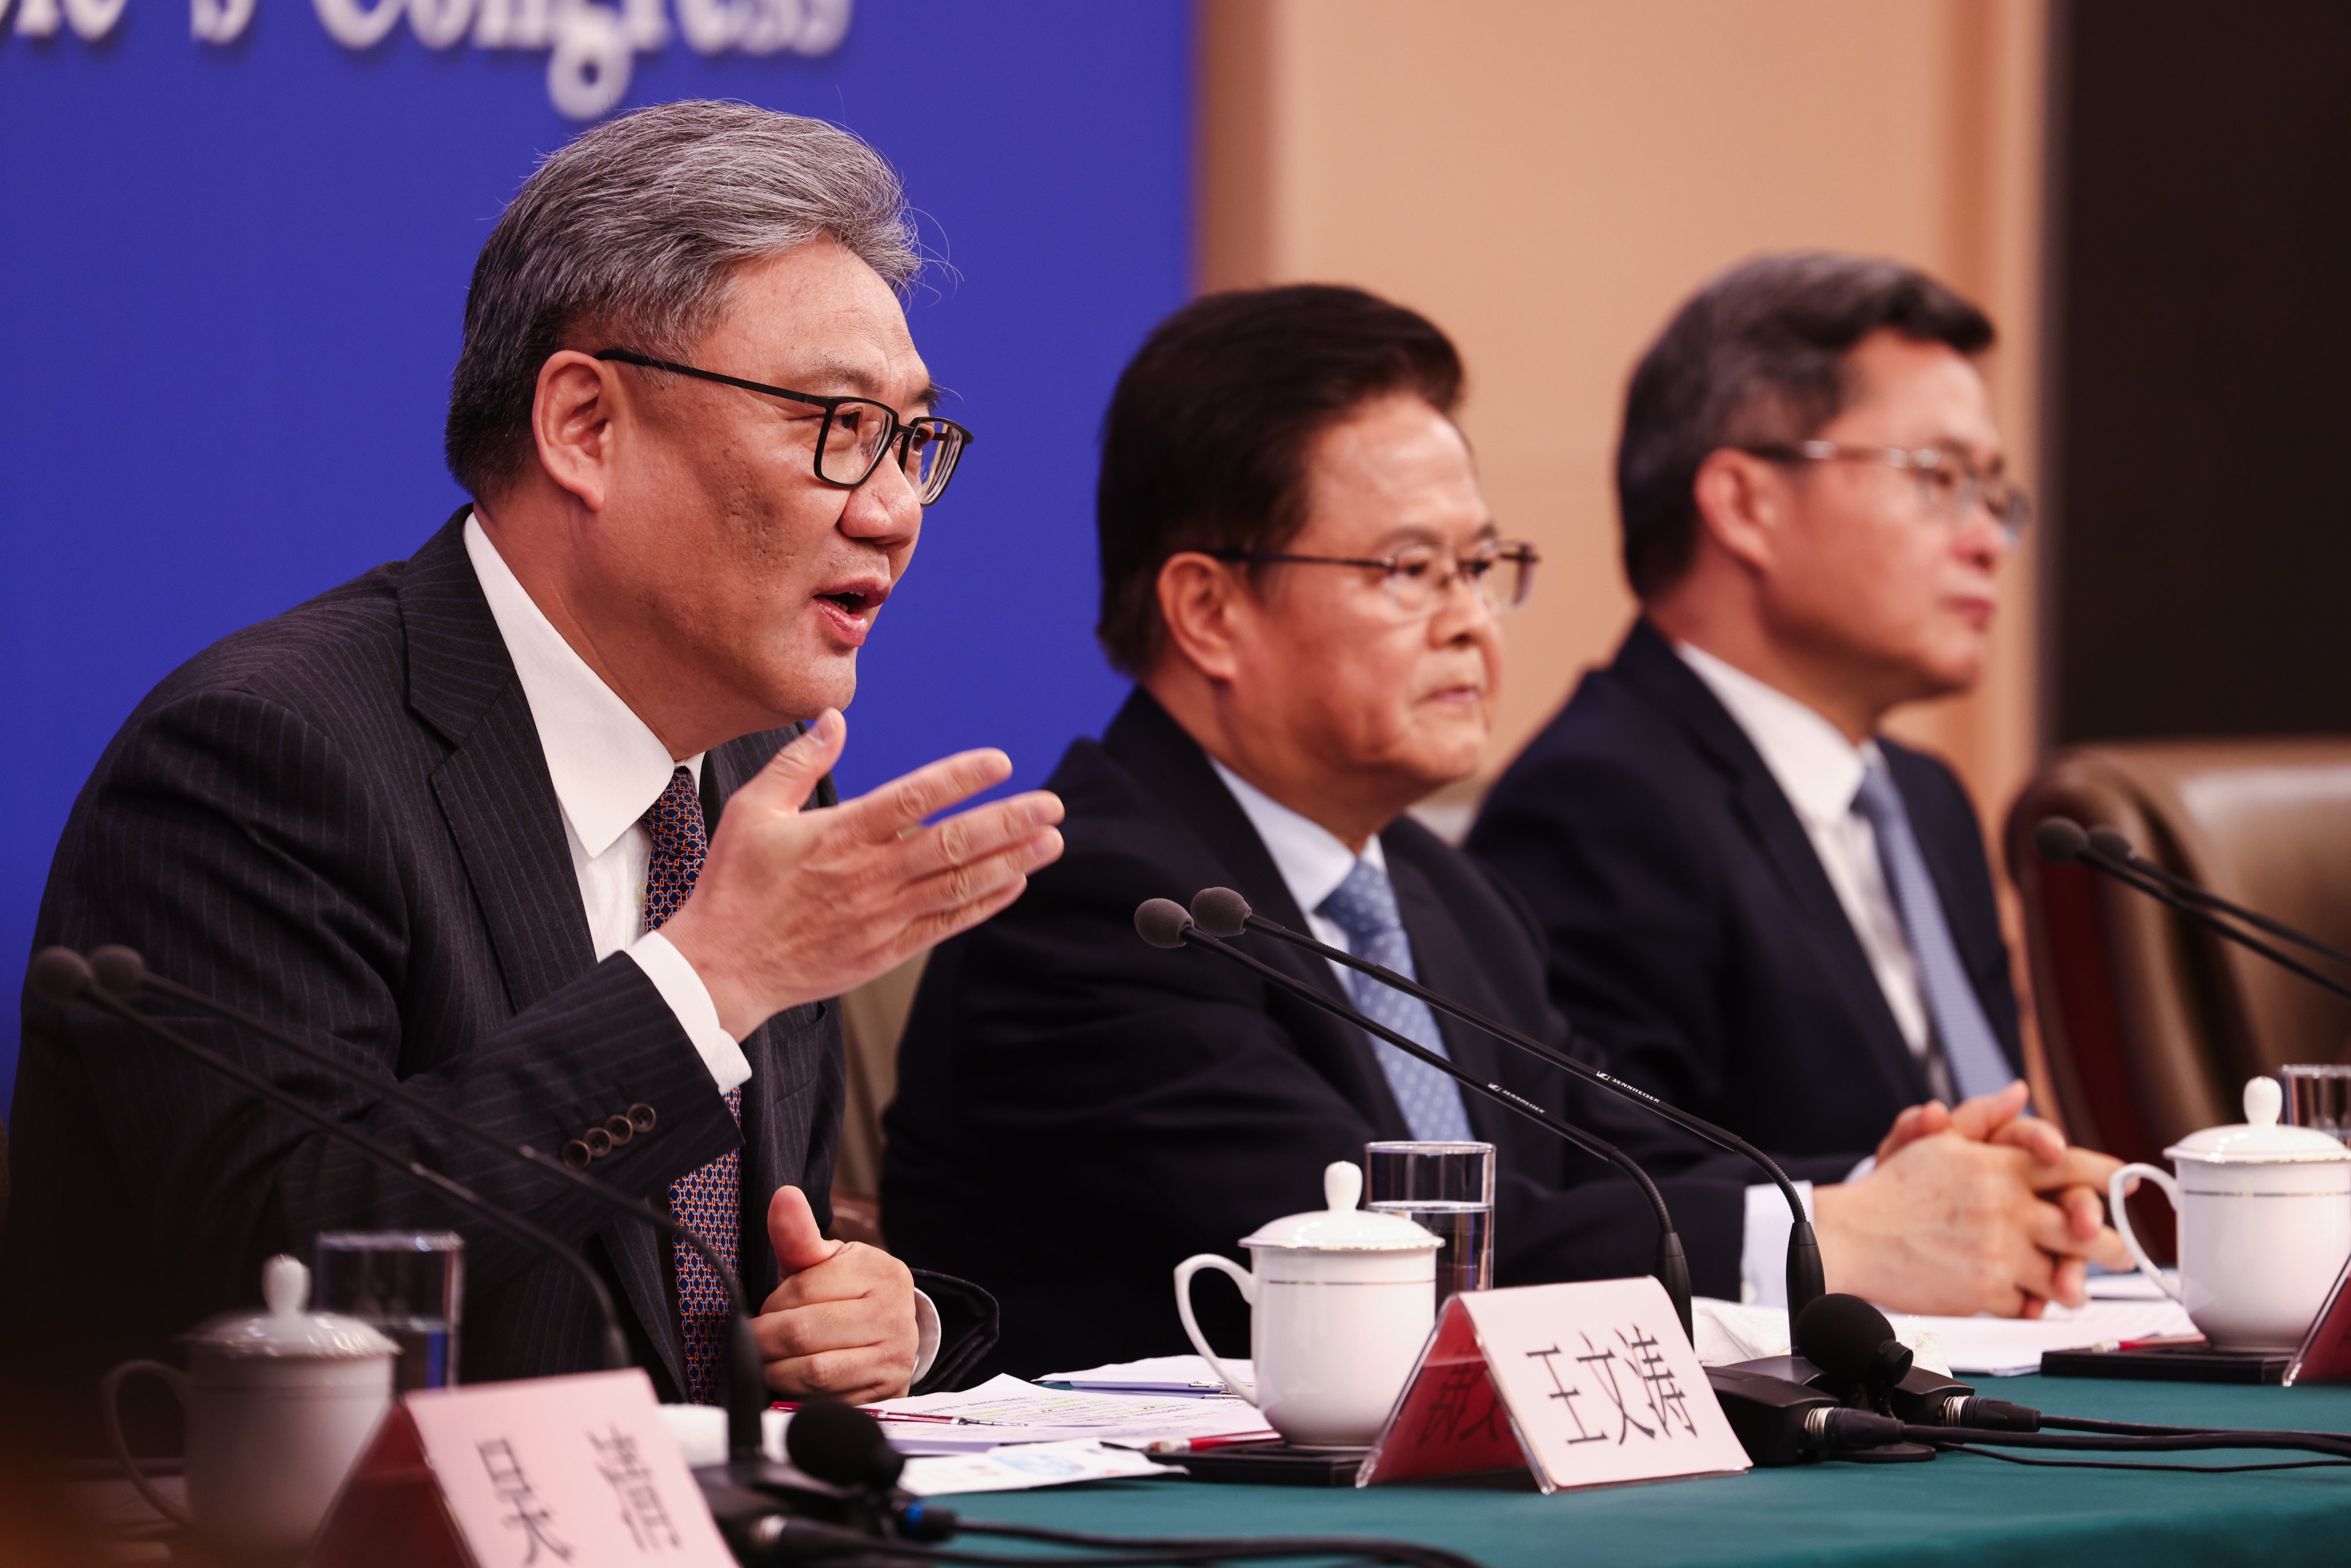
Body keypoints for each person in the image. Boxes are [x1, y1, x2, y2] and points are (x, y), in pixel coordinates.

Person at [2, 102, 1064, 1444]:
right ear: (583, 424)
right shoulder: (261, 756)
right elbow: (274, 1279)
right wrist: (706, 979)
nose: (894, 507)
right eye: (836, 424)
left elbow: (687, 1315)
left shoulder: (753, 789)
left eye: (910, 439)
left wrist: (859, 1322)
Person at [881, 284, 2120, 1381]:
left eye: (1484, 565)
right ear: (1207, 609)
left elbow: (1616, 1160)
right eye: (1410, 569)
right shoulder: (1095, 903)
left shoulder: (1435, 889)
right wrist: (1833, 1238)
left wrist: (1891, 1192)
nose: (1474, 621)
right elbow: (1377, 1258)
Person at [1466, 254, 2119, 1279]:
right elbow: (1616, 1180)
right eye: (1939, 479)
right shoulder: (1603, 797)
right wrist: (1884, 1207)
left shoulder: (1925, 801)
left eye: (1995, 493)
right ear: (1745, 503)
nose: (1990, 538)